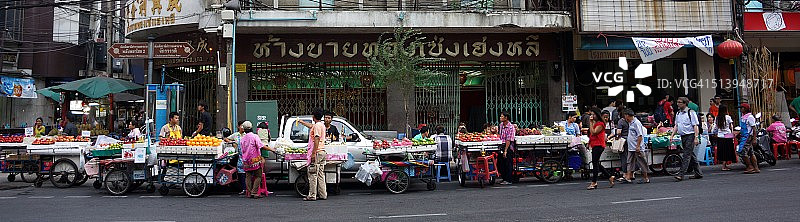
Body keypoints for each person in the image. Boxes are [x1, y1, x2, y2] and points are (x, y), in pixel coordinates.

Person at [239, 121, 275, 199]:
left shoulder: (242, 138)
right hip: (255, 160)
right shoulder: (254, 136)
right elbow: (261, 146)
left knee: (248, 176)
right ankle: (254, 192)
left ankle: (248, 192)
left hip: (246, 160)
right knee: (258, 176)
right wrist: (272, 149)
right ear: (251, 128)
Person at [670, 97, 703, 181]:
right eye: (677, 102)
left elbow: (695, 125)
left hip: (690, 135)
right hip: (683, 136)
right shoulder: (678, 114)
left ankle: (681, 174)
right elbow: (676, 125)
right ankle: (698, 173)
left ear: (685, 103)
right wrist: (672, 135)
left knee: (686, 155)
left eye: (680, 102)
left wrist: (696, 137)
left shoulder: (690, 112)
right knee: (690, 154)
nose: (678, 104)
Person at [587, 109, 614, 190]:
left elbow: (593, 132)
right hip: (595, 144)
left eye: (593, 115)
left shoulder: (600, 124)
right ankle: (609, 177)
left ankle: (594, 182)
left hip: (598, 145)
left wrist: (591, 123)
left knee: (595, 164)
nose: (592, 116)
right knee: (596, 163)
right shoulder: (597, 123)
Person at [304, 109, 327, 201]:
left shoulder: (317, 126)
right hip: (322, 152)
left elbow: (316, 139)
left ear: (314, 116)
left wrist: (313, 153)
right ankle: (323, 194)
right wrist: (302, 122)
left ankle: (312, 195)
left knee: (313, 174)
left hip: (317, 152)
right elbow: (311, 126)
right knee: (321, 174)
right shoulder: (321, 125)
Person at [624, 108, 650, 184]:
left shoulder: (636, 123)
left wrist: (638, 146)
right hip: (631, 147)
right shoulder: (630, 123)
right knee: (629, 161)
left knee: (641, 162)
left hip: (637, 147)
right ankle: (628, 176)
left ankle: (645, 177)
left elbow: (640, 135)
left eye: (625, 116)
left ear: (628, 115)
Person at [737, 103, 760, 174]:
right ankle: (756, 168)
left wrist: (754, 138)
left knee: (742, 152)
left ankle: (750, 166)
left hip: (748, 137)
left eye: (742, 108)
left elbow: (754, 128)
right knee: (751, 152)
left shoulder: (750, 117)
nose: (741, 109)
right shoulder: (743, 117)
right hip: (744, 136)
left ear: (746, 109)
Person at [225, 121, 247, 195]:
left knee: (247, 173)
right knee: (240, 172)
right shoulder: (235, 135)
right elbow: (226, 139)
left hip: (247, 156)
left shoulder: (246, 135)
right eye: (241, 126)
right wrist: (233, 142)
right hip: (238, 156)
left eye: (244, 126)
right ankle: (243, 188)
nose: (242, 127)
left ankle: (248, 188)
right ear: (238, 127)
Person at [713, 105, 735, 171]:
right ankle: (724, 166)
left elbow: (715, 128)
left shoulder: (717, 117)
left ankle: (724, 165)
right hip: (728, 135)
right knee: (728, 150)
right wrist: (732, 133)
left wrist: (715, 133)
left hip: (720, 135)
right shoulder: (728, 117)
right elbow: (731, 126)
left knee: (722, 151)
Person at [615, 109, 634, 182]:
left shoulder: (621, 121)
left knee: (623, 157)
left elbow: (619, 132)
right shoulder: (631, 121)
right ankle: (632, 173)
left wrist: (616, 137)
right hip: (630, 140)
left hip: (623, 141)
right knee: (631, 157)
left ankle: (625, 174)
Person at [498, 112, 516, 185]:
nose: (500, 117)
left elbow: (508, 140)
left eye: (502, 116)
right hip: (501, 146)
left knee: (508, 164)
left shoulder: (511, 127)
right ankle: (504, 178)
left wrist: (505, 151)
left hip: (508, 147)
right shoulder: (501, 125)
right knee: (500, 163)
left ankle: (508, 180)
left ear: (506, 118)